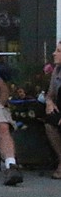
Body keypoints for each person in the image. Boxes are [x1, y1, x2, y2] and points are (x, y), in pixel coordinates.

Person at [40, 41, 61, 179]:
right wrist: (49, 102)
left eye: (58, 51)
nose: (54, 53)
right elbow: (49, 95)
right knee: (49, 122)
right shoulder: (56, 71)